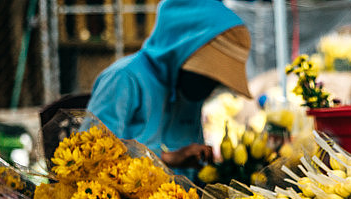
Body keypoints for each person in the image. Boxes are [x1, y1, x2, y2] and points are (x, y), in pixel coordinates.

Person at [85, 0, 252, 170]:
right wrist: (165, 158)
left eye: (216, 80)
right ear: (178, 52)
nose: (211, 86)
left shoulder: (189, 91)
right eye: (206, 74)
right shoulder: (124, 78)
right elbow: (88, 153)